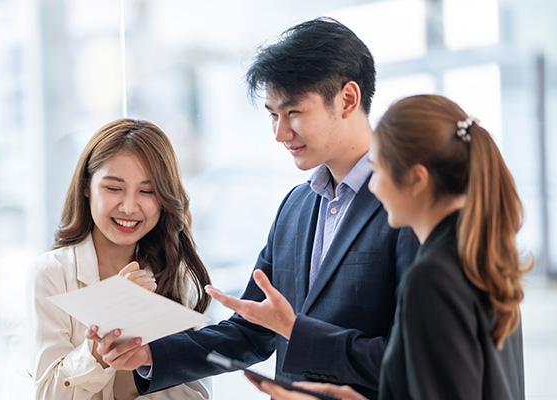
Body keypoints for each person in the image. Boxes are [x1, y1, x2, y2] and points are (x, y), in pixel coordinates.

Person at [86, 18, 419, 399]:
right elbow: (253, 333)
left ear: (347, 99)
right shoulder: (296, 207)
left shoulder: (409, 206)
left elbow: (417, 358)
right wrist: (149, 354)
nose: (279, 133)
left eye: (293, 112)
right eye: (273, 115)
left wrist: (298, 331)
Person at [250, 95, 529, 399]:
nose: (372, 186)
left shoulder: (432, 275)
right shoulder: (480, 254)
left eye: (378, 170)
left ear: (416, 179)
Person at [28, 119, 213, 399]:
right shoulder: (51, 274)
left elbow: (198, 394)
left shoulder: (176, 274)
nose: (129, 207)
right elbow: (49, 394)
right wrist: (101, 343)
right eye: (113, 189)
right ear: (87, 186)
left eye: (147, 191)